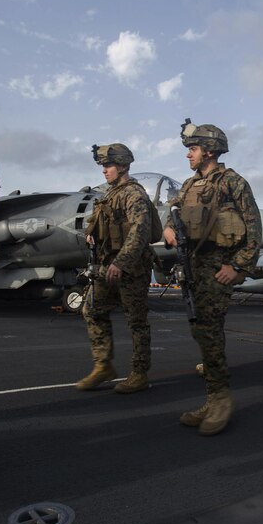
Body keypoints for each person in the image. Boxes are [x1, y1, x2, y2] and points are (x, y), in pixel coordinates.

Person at [163, 120, 260, 436]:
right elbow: (172, 210)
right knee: (200, 332)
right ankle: (212, 397)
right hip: (193, 269)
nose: (188, 155)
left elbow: (253, 229)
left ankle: (221, 400)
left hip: (219, 269)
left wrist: (239, 267)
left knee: (211, 333)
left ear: (209, 150)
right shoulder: (190, 186)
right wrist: (167, 227)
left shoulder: (233, 182)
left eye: (192, 149)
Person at [76, 144, 156, 393]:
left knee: (136, 322)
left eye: (108, 165)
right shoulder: (109, 194)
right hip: (106, 266)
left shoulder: (134, 194)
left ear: (122, 166)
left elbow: (139, 231)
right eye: (102, 166)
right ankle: (103, 365)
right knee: (92, 310)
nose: (104, 171)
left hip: (131, 269)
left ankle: (140, 373)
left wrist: (121, 262)